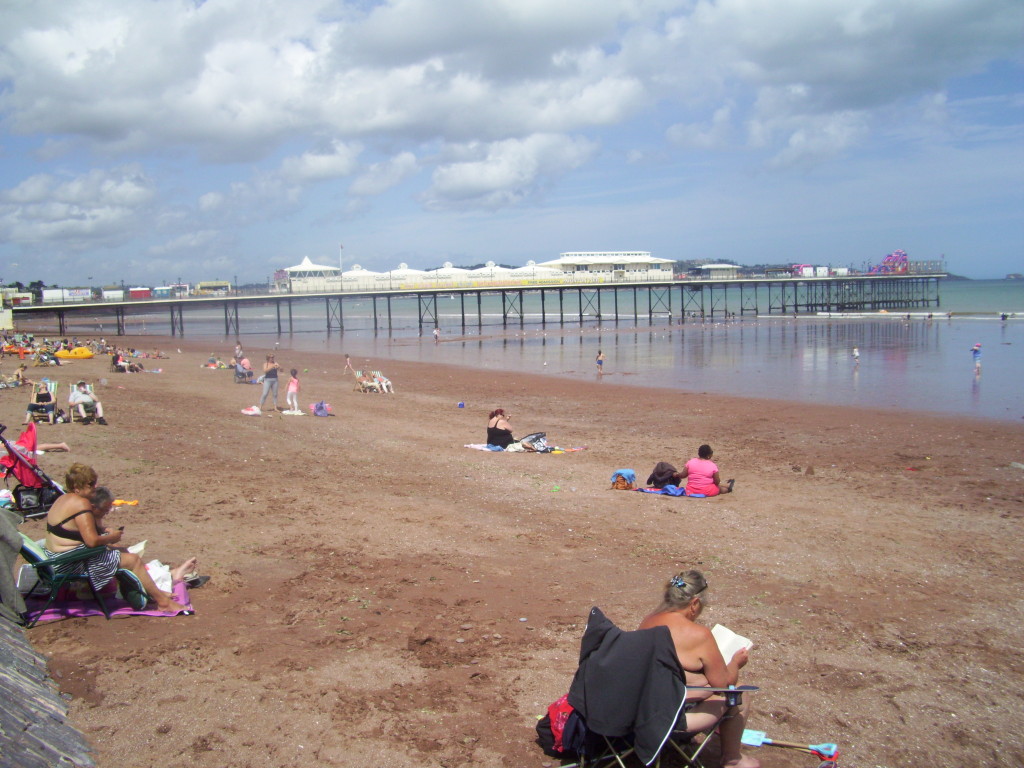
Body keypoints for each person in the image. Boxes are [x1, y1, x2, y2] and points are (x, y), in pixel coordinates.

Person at [639, 571, 759, 768]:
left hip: (636, 710)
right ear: (694, 603)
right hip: (669, 718)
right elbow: (724, 684)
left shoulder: (648, 621)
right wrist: (735, 664)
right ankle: (733, 759)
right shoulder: (699, 634)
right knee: (739, 693)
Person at [43, 464, 191, 613]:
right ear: (77, 486)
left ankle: (154, 592)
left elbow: (72, 529)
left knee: (123, 553)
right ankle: (163, 602)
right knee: (133, 560)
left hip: (57, 557)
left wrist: (103, 531)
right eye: (91, 484)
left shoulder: (64, 499)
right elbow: (91, 541)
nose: (95, 486)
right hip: (69, 562)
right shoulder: (81, 503)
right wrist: (111, 537)